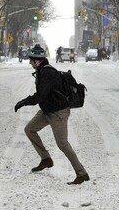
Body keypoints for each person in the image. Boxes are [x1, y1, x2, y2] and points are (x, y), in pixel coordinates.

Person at [14, 44, 89, 185]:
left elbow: (40, 96)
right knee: (29, 129)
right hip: (47, 110)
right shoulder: (42, 71)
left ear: (37, 60)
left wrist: (24, 102)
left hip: (58, 112)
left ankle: (82, 173)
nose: (29, 62)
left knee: (62, 144)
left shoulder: (47, 73)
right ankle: (46, 159)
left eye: (31, 60)